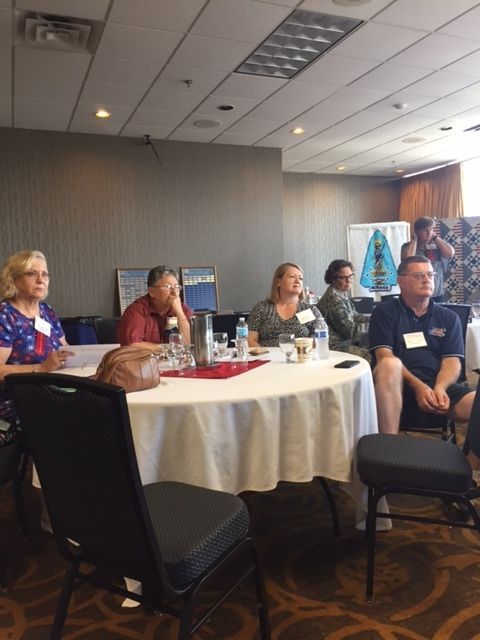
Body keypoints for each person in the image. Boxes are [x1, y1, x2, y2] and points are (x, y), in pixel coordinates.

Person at [369, 255, 480, 475]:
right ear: (401, 281)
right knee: (390, 365)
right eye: (418, 275)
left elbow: (452, 361)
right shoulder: (384, 312)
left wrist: (438, 389)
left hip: (440, 392)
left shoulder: (448, 317)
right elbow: (383, 357)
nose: (427, 280)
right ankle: (387, 458)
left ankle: (467, 470)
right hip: (394, 388)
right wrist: (419, 387)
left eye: (430, 274)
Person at [0, 250, 72, 533]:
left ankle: (81, 514)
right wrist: (41, 369)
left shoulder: (49, 312)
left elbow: (66, 351)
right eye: (32, 273)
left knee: (96, 425)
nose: (41, 279)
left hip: (51, 399)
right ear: (14, 279)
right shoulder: (6, 316)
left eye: (45, 274)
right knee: (65, 434)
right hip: (13, 407)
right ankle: (56, 518)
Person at [247, 262, 321, 347]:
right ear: (278, 282)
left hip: (301, 357)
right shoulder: (262, 308)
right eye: (292, 277)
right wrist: (265, 357)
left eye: (300, 278)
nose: (297, 281)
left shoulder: (309, 310)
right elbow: (250, 340)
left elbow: (321, 339)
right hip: (267, 358)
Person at [117, 265, 192, 347]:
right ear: (151, 291)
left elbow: (190, 343)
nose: (174, 292)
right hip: (144, 359)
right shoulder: (136, 310)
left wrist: (179, 313)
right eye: (168, 287)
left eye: (176, 287)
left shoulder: (183, 309)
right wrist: (166, 349)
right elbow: (132, 345)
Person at [317, 259, 370, 362]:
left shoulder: (340, 292)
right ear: (333, 279)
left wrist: (375, 317)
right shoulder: (333, 300)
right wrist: (376, 324)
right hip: (334, 347)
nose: (348, 280)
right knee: (370, 355)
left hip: (345, 342)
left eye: (350, 276)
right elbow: (351, 332)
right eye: (343, 277)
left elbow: (355, 316)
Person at [401, 216, 454, 302]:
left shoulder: (437, 246)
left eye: (431, 229)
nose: (429, 233)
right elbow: (407, 260)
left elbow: (450, 254)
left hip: (436, 293)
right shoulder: (407, 247)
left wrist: (436, 238)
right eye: (425, 230)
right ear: (417, 232)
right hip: (416, 293)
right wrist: (414, 240)